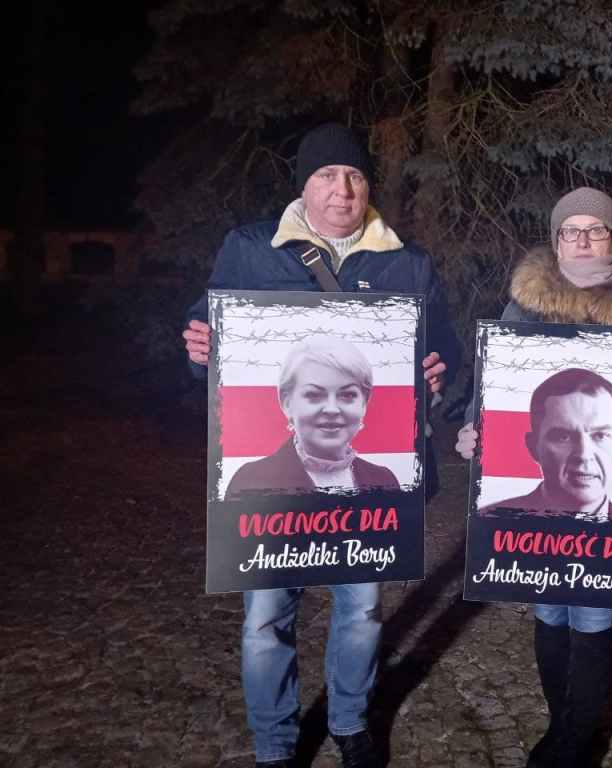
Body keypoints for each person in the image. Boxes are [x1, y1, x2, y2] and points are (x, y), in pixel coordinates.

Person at [182, 122, 460, 768]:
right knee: (264, 620)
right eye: (327, 176)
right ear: (303, 186)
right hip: (272, 486)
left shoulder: (407, 262)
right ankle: (275, 743)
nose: (343, 190)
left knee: (360, 611)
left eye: (355, 176)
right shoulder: (251, 249)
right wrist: (198, 348)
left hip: (367, 487)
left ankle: (350, 722)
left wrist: (439, 371)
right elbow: (209, 328)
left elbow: (440, 348)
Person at [455, 187, 612, 768]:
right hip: (542, 508)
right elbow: (494, 385)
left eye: (596, 229)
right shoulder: (523, 308)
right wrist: (473, 430)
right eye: (571, 230)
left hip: (609, 511)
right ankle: (561, 724)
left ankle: (576, 742)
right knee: (550, 612)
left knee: (593, 613)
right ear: (556, 239)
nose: (583, 240)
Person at [226, 338, 399, 497]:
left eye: (347, 395)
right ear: (287, 402)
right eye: (314, 395)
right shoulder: (250, 481)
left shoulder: (384, 480)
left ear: (364, 403)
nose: (332, 409)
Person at [479, 368, 612, 521]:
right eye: (564, 437)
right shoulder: (489, 522)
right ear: (533, 447)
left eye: (600, 436)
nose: (584, 455)